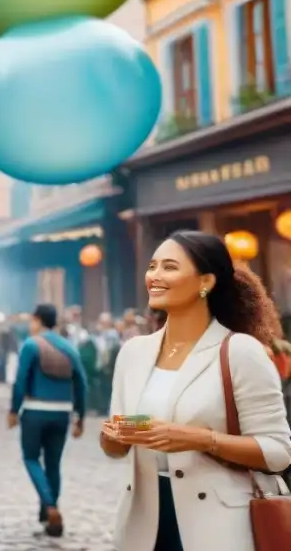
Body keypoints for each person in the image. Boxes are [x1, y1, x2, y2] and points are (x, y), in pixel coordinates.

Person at [102, 231, 291, 551]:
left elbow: (277, 451)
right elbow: (118, 439)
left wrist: (199, 439)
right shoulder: (133, 352)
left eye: (170, 267)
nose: (155, 276)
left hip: (219, 526)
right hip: (143, 523)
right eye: (152, 266)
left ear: (205, 281)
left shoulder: (241, 351)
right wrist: (116, 436)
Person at [8, 303, 87, 537]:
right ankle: (48, 515)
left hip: (34, 411)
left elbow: (21, 379)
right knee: (54, 464)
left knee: (31, 458)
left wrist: (14, 409)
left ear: (36, 320)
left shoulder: (31, 345)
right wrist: (80, 416)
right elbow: (82, 383)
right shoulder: (70, 348)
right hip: (62, 413)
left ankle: (50, 507)